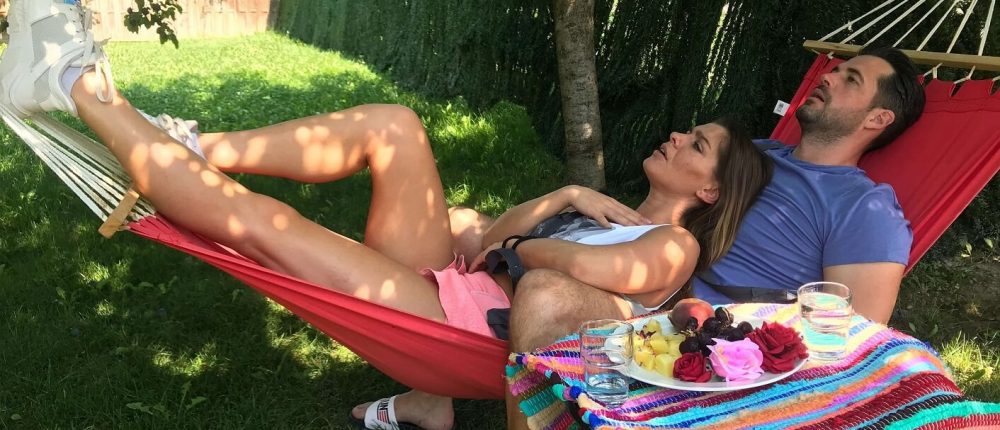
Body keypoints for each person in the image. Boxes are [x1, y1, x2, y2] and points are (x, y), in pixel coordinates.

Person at [0, 2, 772, 429]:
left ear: (710, 192)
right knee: (395, 126)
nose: (679, 137)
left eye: (697, 144)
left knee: (266, 226)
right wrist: (562, 201)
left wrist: (527, 243)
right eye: (688, 131)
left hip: (465, 327)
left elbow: (550, 271)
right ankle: (191, 144)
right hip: (460, 286)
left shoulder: (671, 245)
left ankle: (74, 86)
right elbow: (496, 240)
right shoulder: (607, 210)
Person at [503, 46, 926, 429]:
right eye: (836, 70)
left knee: (546, 294)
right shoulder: (761, 154)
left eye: (851, 79)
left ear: (877, 119)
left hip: (708, 340)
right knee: (481, 231)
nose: (828, 76)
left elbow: (855, 332)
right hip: (648, 279)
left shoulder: (864, 207)